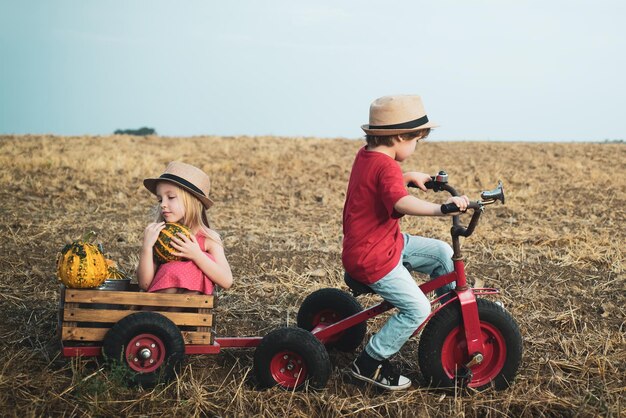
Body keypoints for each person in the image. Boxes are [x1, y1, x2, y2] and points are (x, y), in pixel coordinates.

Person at [343, 95, 469, 391]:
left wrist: (408, 176)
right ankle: (369, 363)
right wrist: (442, 208)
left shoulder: (367, 155)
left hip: (378, 243)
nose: (416, 146)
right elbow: (399, 201)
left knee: (441, 253)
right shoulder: (385, 168)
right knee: (417, 309)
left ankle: (451, 322)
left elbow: (383, 181)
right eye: (417, 140)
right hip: (373, 256)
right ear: (400, 136)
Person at [137, 161, 233, 294]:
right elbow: (145, 284)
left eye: (170, 197)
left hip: (191, 310)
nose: (163, 204)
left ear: (192, 201)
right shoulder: (159, 236)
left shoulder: (208, 238)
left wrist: (196, 255)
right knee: (172, 268)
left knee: (200, 263)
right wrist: (146, 248)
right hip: (158, 308)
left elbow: (226, 281)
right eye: (160, 199)